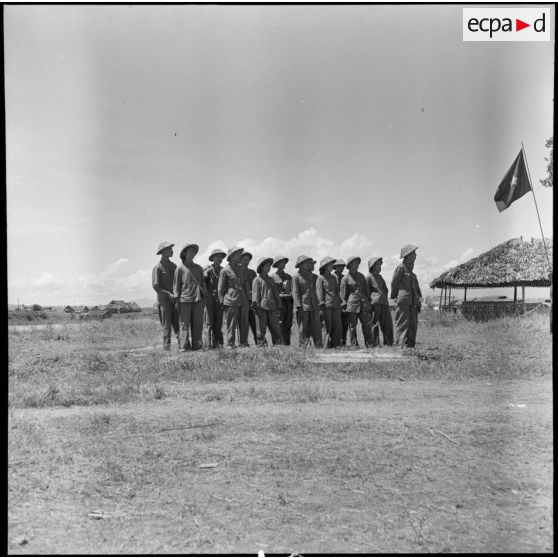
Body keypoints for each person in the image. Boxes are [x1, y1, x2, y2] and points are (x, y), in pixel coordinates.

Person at [173, 242, 207, 351]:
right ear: (184, 253)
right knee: (184, 324)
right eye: (190, 251)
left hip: (198, 299)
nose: (192, 253)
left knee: (198, 323)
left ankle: (197, 345)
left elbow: (203, 284)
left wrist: (204, 299)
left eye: (193, 251)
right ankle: (184, 346)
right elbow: (176, 286)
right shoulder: (180, 269)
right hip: (184, 299)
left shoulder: (199, 268)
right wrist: (177, 300)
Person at [390, 244, 422, 349]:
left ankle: (411, 346)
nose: (415, 255)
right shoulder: (400, 268)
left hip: (413, 302)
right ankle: (400, 345)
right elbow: (394, 283)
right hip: (404, 300)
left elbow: (416, 288)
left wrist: (419, 299)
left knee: (413, 324)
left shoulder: (411, 271)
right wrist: (394, 296)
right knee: (402, 323)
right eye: (413, 253)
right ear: (407, 255)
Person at [218, 246, 251, 348]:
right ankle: (230, 343)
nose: (239, 256)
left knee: (244, 323)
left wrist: (249, 298)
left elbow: (245, 284)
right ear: (231, 256)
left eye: (239, 254)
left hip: (243, 299)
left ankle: (244, 343)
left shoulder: (242, 269)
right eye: (237, 254)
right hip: (231, 300)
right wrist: (222, 302)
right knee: (231, 324)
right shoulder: (225, 270)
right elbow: (220, 288)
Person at [340, 256, 374, 347]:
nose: (357, 265)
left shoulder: (362, 276)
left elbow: (366, 291)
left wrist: (369, 302)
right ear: (350, 265)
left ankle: (369, 344)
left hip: (364, 304)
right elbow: (343, 295)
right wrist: (344, 305)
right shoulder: (345, 278)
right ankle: (354, 345)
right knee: (352, 327)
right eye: (355, 263)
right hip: (352, 305)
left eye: (358, 263)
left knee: (367, 324)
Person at [152, 241, 179, 350]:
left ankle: (182, 345)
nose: (172, 251)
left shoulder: (174, 266)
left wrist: (175, 294)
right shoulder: (158, 267)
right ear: (163, 252)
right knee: (166, 326)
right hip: (164, 302)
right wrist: (168, 294)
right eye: (169, 249)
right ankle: (167, 349)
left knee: (178, 325)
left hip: (174, 301)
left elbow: (177, 283)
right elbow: (156, 286)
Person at [292, 255, 322, 347]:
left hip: (314, 306)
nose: (309, 264)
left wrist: (319, 304)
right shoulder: (296, 277)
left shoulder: (314, 276)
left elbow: (318, 291)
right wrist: (298, 306)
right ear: (301, 264)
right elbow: (295, 292)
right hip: (303, 306)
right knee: (303, 328)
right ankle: (303, 346)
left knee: (316, 327)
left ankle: (318, 346)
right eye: (307, 263)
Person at [252, 257, 282, 346]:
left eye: (269, 266)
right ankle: (261, 346)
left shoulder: (271, 280)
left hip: (272, 308)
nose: (269, 268)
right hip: (261, 309)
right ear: (261, 267)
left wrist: (279, 306)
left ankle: (278, 346)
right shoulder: (257, 280)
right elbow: (255, 294)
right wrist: (256, 307)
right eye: (267, 266)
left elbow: (276, 294)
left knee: (276, 328)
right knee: (261, 330)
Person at [366, 256, 394, 346]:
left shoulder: (380, 276)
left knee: (387, 323)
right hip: (375, 303)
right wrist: (370, 302)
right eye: (377, 265)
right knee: (374, 323)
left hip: (383, 302)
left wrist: (384, 298)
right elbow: (366, 291)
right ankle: (374, 343)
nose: (380, 266)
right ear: (373, 266)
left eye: (380, 265)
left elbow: (385, 289)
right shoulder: (369, 277)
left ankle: (388, 342)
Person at [316, 256, 342, 348]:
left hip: (336, 305)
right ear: (325, 266)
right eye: (330, 264)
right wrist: (321, 306)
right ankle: (325, 346)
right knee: (327, 326)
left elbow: (336, 291)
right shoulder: (320, 278)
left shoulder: (334, 278)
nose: (332, 266)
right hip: (326, 305)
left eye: (332, 264)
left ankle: (336, 345)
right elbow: (319, 293)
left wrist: (341, 302)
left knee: (337, 326)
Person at [203, 248, 226, 348]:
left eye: (221, 256)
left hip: (219, 300)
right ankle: (208, 345)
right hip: (209, 301)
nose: (220, 258)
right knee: (209, 323)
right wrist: (206, 273)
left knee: (218, 323)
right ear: (212, 258)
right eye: (217, 256)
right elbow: (201, 280)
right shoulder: (207, 269)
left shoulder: (223, 270)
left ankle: (218, 344)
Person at [271, 255, 293, 345]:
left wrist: (290, 294)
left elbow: (292, 289)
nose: (283, 264)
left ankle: (286, 344)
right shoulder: (272, 277)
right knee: (278, 324)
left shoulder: (288, 276)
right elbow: (271, 293)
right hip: (278, 305)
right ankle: (277, 344)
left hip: (288, 304)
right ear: (277, 264)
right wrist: (281, 295)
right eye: (281, 262)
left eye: (284, 262)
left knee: (288, 324)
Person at [240, 251, 259, 345]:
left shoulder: (252, 273)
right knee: (243, 323)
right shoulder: (237, 272)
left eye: (248, 260)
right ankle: (244, 342)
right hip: (241, 300)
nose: (246, 261)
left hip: (252, 301)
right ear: (240, 260)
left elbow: (256, 287)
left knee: (255, 323)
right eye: (244, 259)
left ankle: (259, 342)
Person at [333, 259, 349, 346]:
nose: (342, 268)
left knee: (344, 323)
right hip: (334, 304)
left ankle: (343, 341)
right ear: (335, 267)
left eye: (343, 266)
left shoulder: (345, 277)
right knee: (335, 324)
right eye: (340, 266)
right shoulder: (331, 277)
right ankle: (335, 341)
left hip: (343, 304)